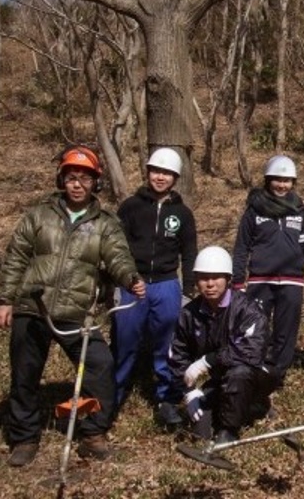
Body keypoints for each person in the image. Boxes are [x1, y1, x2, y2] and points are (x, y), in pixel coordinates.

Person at [0, 145, 146, 467]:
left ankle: (92, 434)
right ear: (62, 180)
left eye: (85, 179)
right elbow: (16, 257)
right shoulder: (38, 215)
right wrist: (5, 300)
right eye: (72, 177)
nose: (78, 184)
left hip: (77, 311)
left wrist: (129, 278)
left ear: (95, 184)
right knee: (25, 374)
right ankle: (24, 437)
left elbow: (117, 256)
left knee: (101, 367)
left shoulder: (105, 222)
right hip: (34, 306)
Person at [110, 147, 198, 428]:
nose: (160, 177)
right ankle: (114, 394)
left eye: (167, 173)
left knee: (167, 344)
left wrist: (189, 288)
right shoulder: (130, 207)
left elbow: (189, 251)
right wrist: (124, 279)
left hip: (166, 284)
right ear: (148, 173)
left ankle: (166, 399)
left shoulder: (182, 213)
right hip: (132, 284)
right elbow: (116, 247)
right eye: (156, 171)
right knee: (124, 341)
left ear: (175, 178)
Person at [168, 246, 279, 442]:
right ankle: (247, 408)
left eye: (216, 277)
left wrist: (207, 361)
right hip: (221, 378)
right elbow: (177, 354)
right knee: (200, 432)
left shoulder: (247, 309)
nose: (210, 284)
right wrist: (189, 392)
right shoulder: (189, 314)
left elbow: (251, 352)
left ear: (228, 280)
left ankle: (229, 431)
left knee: (239, 374)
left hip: (258, 374)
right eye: (203, 278)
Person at [231, 155, 304, 392]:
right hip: (259, 280)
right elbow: (242, 246)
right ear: (268, 180)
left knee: (286, 330)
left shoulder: (300, 210)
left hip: (292, 280)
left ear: (293, 182)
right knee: (257, 327)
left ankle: (277, 375)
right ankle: (254, 370)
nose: (282, 185)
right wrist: (237, 279)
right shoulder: (254, 210)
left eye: (287, 180)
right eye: (277, 179)